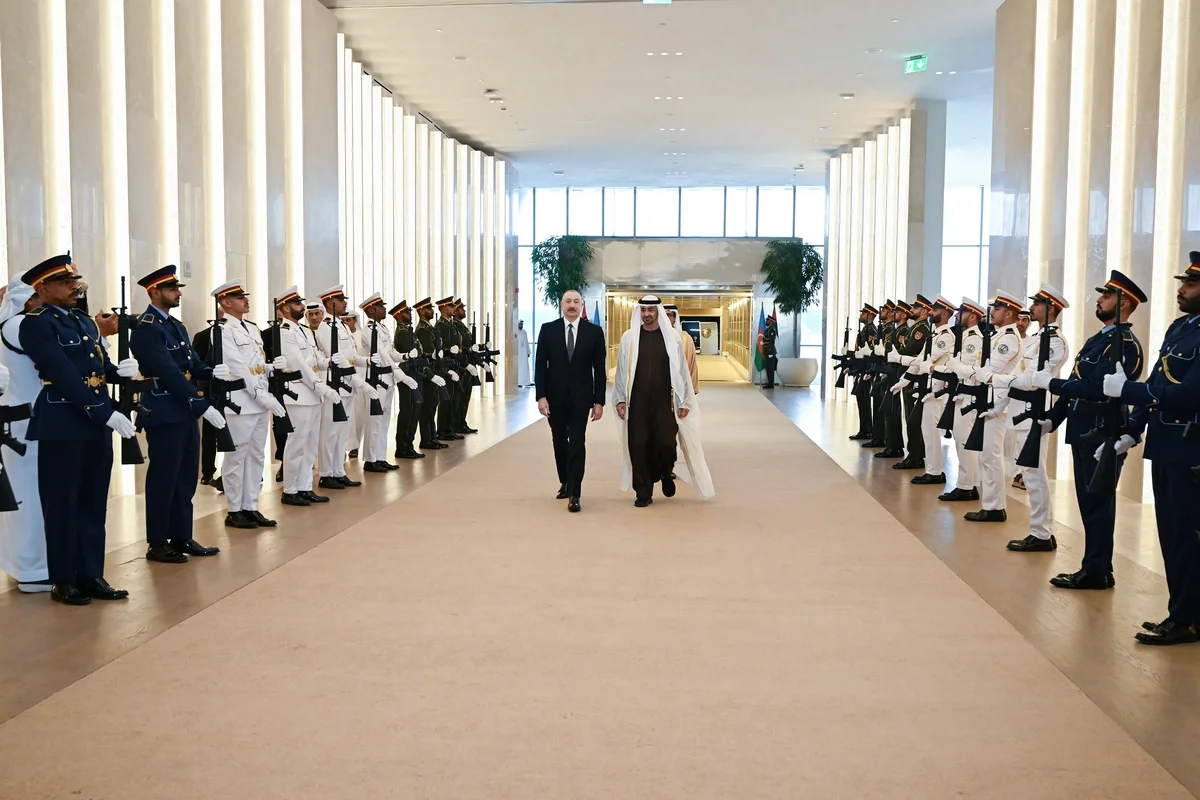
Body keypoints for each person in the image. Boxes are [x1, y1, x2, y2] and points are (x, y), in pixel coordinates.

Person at [19, 253, 139, 605]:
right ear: (43, 288)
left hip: (94, 426)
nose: (75, 287)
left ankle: (90, 574)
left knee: (93, 503)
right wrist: (104, 412)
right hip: (63, 424)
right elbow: (63, 374)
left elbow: (97, 367)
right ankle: (63, 579)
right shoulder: (36, 323)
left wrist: (120, 372)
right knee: (62, 505)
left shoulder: (83, 322)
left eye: (75, 281)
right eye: (66, 282)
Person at [1101, 252, 1200, 645]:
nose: (1181, 289)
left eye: (1190, 284)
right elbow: (1159, 384)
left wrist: (1128, 390)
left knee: (1188, 536)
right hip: (1164, 445)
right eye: (1183, 282)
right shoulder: (1179, 328)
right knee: (1171, 534)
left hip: (1190, 448)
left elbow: (1189, 394)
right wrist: (1132, 430)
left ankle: (1187, 618)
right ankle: (1182, 612)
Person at [1041, 270, 1145, 589]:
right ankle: (1098, 567)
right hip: (1083, 429)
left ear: (1123, 303)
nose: (1099, 299)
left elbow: (1096, 388)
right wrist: (1054, 418)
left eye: (1107, 295)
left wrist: (1050, 383)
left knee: (1098, 504)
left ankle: (1096, 571)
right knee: (1089, 503)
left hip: (1103, 431)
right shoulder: (1098, 340)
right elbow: (1077, 381)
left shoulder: (1125, 344)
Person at [129, 265, 225, 563]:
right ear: (154, 292)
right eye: (172, 289)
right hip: (163, 409)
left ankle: (182, 535)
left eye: (177, 288)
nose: (178, 293)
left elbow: (191, 363)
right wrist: (198, 403)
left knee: (185, 477)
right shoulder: (146, 327)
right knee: (163, 478)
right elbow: (168, 371)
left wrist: (211, 371)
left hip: (183, 410)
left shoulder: (176, 326)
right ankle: (158, 542)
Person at [995, 284, 1071, 551]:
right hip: (1020, 412)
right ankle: (1039, 531)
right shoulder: (1036, 339)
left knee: (1035, 475)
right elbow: (1020, 374)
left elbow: (1033, 380)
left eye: (1037, 304)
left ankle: (1042, 533)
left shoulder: (1055, 342)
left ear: (1051, 308)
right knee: (1028, 474)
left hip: (1034, 413)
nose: (1032, 307)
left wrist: (997, 378)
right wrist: (999, 404)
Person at [210, 279, 288, 528]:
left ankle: (250, 506)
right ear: (225, 303)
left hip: (260, 399)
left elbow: (255, 363)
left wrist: (269, 367)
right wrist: (262, 396)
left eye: (245, 296)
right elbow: (238, 367)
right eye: (239, 297)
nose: (246, 300)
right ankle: (234, 510)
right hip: (241, 402)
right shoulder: (222, 330)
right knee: (236, 457)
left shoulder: (252, 329)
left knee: (256, 455)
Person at [613, 296, 695, 507]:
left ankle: (665, 472)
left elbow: (681, 372)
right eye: (643, 310)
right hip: (637, 402)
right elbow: (622, 370)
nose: (647, 314)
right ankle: (643, 492)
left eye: (651, 310)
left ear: (658, 312)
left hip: (664, 402)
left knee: (666, 443)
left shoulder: (672, 338)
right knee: (638, 446)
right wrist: (620, 398)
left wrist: (684, 401)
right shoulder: (629, 338)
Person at [534, 290, 605, 512]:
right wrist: (541, 396)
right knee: (559, 440)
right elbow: (540, 366)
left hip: (581, 399)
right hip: (554, 398)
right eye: (568, 301)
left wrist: (599, 401)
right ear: (561, 305)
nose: (572, 305)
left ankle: (575, 492)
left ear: (581, 305)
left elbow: (599, 369)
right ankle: (565, 481)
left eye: (576, 301)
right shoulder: (548, 330)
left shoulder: (594, 332)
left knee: (577, 442)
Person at [0, 277, 46, 592]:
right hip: (25, 427)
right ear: (29, 300)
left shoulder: (11, 326)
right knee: (30, 497)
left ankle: (24, 566)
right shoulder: (19, 326)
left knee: (26, 496)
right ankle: (33, 570)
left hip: (23, 424)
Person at [962, 290, 1024, 523]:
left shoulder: (1008, 338)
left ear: (1008, 314)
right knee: (986, 455)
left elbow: (991, 371)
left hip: (997, 401)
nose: (993, 312)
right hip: (989, 399)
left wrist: (964, 369)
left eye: (997, 309)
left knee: (991, 455)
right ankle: (990, 504)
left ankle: (995, 507)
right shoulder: (999, 335)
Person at [278, 290, 335, 507]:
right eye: (297, 304)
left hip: (312, 395)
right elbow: (299, 364)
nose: (302, 307)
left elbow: (314, 358)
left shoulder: (304, 330)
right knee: (296, 444)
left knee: (310, 445)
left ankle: (304, 487)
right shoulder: (285, 332)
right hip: (299, 394)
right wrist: (320, 386)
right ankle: (290, 490)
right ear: (285, 308)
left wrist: (328, 362)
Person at [315, 287, 370, 488]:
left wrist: (366, 361)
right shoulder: (326, 327)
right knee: (330, 431)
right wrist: (357, 380)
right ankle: (326, 473)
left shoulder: (341, 325)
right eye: (341, 300)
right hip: (334, 383)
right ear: (331, 303)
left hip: (347, 384)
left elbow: (351, 356)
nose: (345, 302)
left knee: (342, 431)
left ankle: (338, 471)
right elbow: (336, 359)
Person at [938, 298, 985, 503]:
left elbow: (963, 367)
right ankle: (970, 484)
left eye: (962, 312)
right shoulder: (965, 337)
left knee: (963, 440)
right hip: (962, 392)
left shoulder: (974, 340)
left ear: (973, 316)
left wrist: (953, 364)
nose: (956, 315)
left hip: (969, 394)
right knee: (961, 439)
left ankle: (966, 486)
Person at [910, 295, 958, 486]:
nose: (931, 312)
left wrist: (903, 360)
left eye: (935, 310)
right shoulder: (935, 335)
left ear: (945, 314)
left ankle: (936, 471)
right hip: (929, 389)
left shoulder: (946, 336)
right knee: (927, 431)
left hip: (938, 391)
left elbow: (926, 360)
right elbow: (921, 360)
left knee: (933, 432)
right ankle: (933, 469)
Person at [889, 295, 933, 469]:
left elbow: (909, 349)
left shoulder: (922, 328)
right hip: (908, 373)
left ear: (924, 311)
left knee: (913, 417)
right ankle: (914, 453)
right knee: (910, 416)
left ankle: (916, 456)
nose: (911, 310)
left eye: (915, 308)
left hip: (915, 376)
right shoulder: (914, 328)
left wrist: (897, 355)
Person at [191, 307, 224, 489]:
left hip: (233, 391)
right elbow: (197, 363)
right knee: (210, 434)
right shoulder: (203, 336)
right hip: (210, 389)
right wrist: (200, 388)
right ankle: (207, 472)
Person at [389, 301, 424, 459]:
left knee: (414, 411)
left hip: (414, 372)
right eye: (406, 312)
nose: (409, 315)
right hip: (407, 372)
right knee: (407, 412)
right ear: (398, 316)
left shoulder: (408, 330)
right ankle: (403, 447)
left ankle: (409, 445)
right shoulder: (402, 332)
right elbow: (406, 353)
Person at [413, 297, 448, 450]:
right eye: (429, 309)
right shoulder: (422, 329)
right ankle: (426, 439)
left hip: (434, 369)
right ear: (421, 311)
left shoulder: (430, 328)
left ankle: (432, 437)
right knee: (427, 407)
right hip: (428, 372)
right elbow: (427, 350)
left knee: (432, 406)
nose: (432, 311)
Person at [849, 304, 879, 440]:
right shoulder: (865, 330)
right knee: (861, 399)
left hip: (866, 368)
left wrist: (868, 371)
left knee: (864, 399)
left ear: (871, 315)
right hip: (861, 367)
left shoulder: (871, 330)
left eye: (864, 314)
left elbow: (870, 352)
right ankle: (864, 429)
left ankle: (867, 430)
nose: (860, 316)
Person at [665, 305, 699, 393]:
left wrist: (692, 386)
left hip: (680, 383)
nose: (666, 318)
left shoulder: (685, 338)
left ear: (674, 318)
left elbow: (691, 362)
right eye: (663, 315)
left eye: (669, 315)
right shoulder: (653, 336)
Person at [761, 314, 778, 388]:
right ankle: (769, 383)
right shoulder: (768, 330)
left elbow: (771, 341)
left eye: (767, 320)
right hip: (767, 351)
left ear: (771, 321)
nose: (766, 321)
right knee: (768, 367)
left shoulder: (772, 330)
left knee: (770, 368)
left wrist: (764, 343)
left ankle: (771, 384)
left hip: (770, 351)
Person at [516, 320, 531, 386]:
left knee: (525, 367)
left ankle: (526, 382)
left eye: (522, 324)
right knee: (519, 368)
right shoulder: (515, 332)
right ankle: (518, 382)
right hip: (518, 353)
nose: (521, 326)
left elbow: (526, 342)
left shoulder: (524, 332)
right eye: (520, 324)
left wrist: (528, 351)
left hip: (524, 353)